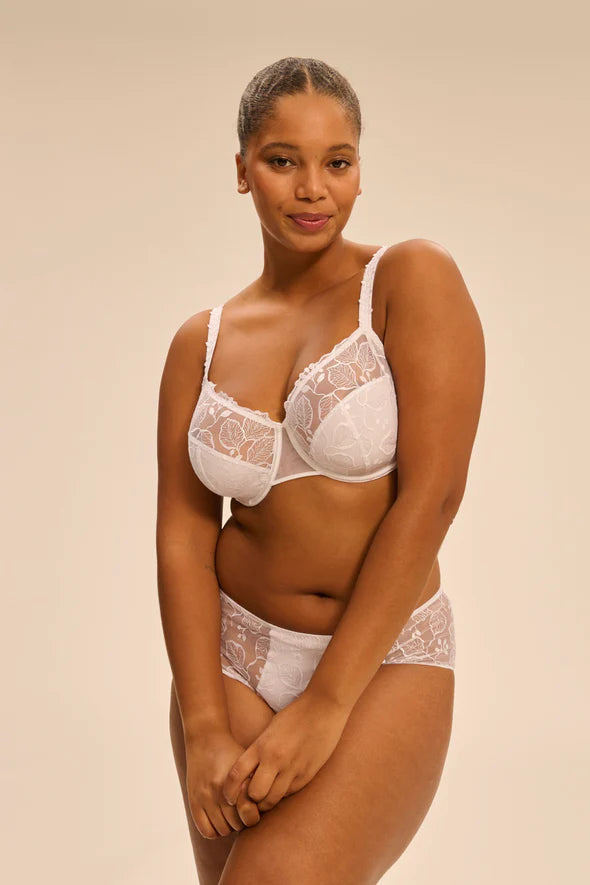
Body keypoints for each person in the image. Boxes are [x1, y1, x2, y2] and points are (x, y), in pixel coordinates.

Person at [156, 56, 485, 885]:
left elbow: (433, 497)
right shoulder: (200, 343)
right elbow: (184, 537)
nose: (313, 189)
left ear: (359, 171)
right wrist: (203, 724)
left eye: (336, 162)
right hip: (230, 661)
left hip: (382, 663)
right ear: (242, 170)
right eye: (283, 160)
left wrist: (328, 703)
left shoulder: (407, 280)